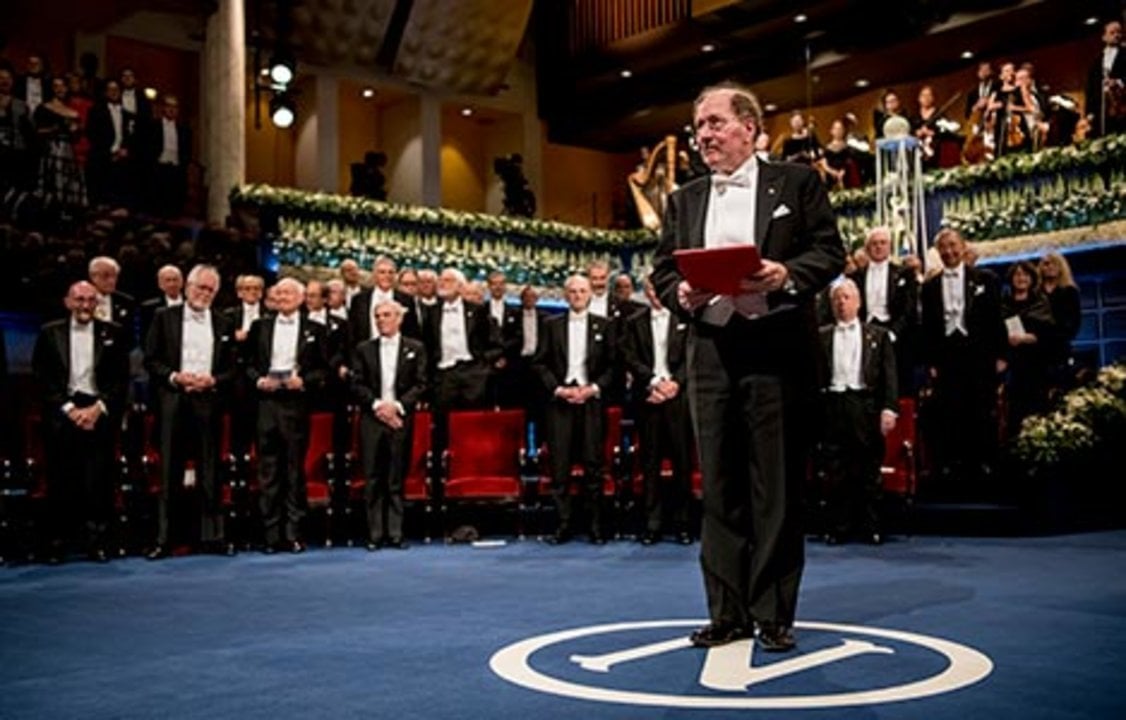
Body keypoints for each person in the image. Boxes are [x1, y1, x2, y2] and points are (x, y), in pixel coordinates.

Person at [650, 81, 845, 652]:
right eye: (699, 126)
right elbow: (663, 269)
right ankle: (727, 611)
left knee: (776, 487)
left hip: (777, 348)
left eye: (714, 122)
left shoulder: (798, 182)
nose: (703, 134)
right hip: (709, 351)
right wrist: (678, 290)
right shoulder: (683, 199)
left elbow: (829, 252)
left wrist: (786, 274)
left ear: (750, 128)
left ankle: (774, 611)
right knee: (719, 486)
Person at [31, 281, 130, 563]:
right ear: (67, 302)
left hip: (99, 414)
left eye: (90, 300)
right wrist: (69, 409)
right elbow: (42, 376)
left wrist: (97, 409)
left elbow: (121, 379)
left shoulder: (113, 333)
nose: (85, 305)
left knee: (98, 481)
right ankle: (58, 543)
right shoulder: (50, 333)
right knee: (61, 480)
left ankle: (97, 542)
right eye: (79, 300)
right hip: (62, 415)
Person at [142, 265, 237, 558]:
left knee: (210, 473)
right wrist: (175, 377)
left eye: (210, 290)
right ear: (187, 287)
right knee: (171, 473)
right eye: (200, 287)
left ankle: (212, 537)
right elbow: (151, 360)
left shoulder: (223, 322)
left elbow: (231, 369)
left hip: (208, 404)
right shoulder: (163, 317)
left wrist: (213, 380)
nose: (204, 294)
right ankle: (165, 539)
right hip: (173, 402)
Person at [920, 228, 1005, 500]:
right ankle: (953, 468)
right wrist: (931, 361)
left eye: (953, 245)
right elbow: (929, 327)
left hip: (979, 353)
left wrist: (1001, 355)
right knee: (950, 410)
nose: (949, 251)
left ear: (963, 246)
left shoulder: (986, 279)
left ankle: (986, 465)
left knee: (982, 408)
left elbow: (996, 318)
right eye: (943, 247)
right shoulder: (930, 287)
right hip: (947, 355)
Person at [245, 278, 329, 553]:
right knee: (268, 472)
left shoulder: (316, 329)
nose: (282, 297)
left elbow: (323, 370)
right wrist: (258, 381)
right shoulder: (260, 327)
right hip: (266, 404)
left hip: (296, 404)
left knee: (294, 472)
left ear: (302, 297)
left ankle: (293, 534)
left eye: (288, 292)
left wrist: (303, 380)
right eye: (279, 292)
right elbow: (247, 365)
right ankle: (270, 536)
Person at [534, 274, 614, 545]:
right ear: (565, 295)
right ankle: (563, 525)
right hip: (560, 403)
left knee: (593, 467)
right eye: (573, 291)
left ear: (590, 294)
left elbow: (613, 366)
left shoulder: (605, 325)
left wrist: (593, 388)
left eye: (582, 291)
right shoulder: (550, 325)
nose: (578, 295)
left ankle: (595, 527)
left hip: (591, 402)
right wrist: (558, 389)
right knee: (560, 469)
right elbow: (540, 363)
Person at [816, 278, 897, 546]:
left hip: (865, 405)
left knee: (867, 469)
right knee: (834, 469)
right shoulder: (821, 336)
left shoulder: (879, 336)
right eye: (837, 298)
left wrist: (889, 409)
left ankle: (872, 526)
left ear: (859, 302)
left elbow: (889, 377)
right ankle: (837, 527)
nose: (841, 303)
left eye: (847, 297)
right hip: (832, 405)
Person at [621, 277, 694, 545]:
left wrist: (676, 384)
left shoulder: (686, 318)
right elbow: (629, 356)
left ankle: (683, 524)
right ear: (646, 292)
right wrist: (653, 383)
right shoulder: (634, 322)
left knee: (681, 464)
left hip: (678, 400)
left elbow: (692, 356)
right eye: (650, 290)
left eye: (658, 289)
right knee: (649, 464)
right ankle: (652, 524)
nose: (655, 295)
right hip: (649, 398)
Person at [350, 299, 428, 550]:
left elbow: (421, 383)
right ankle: (374, 534)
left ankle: (395, 533)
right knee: (373, 478)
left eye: (386, 315)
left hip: (400, 418)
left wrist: (397, 407)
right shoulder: (364, 349)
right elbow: (357, 384)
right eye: (378, 316)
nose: (381, 320)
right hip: (372, 419)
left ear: (399, 318)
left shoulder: (416, 348)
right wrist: (377, 406)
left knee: (395, 478)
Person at [848, 226, 919, 397]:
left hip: (896, 334)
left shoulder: (905, 275)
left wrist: (894, 333)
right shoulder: (856, 277)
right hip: (865, 332)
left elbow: (909, 309)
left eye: (883, 243)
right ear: (867, 248)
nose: (878, 247)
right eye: (874, 244)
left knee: (897, 381)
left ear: (890, 246)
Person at [1037, 251, 1081, 393]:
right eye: (1046, 263)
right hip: (1035, 350)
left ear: (1061, 267)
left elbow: (1074, 322)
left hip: (1059, 349)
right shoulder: (1035, 293)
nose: (1049, 267)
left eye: (1054, 263)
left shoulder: (1069, 292)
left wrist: (1056, 334)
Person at [1085, 19, 1126, 138]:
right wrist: (1089, 113)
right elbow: (1090, 88)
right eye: (1112, 33)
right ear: (1104, 37)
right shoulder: (1096, 61)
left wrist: (1119, 82)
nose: (1117, 35)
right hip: (1101, 110)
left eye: (1119, 32)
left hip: (1121, 107)